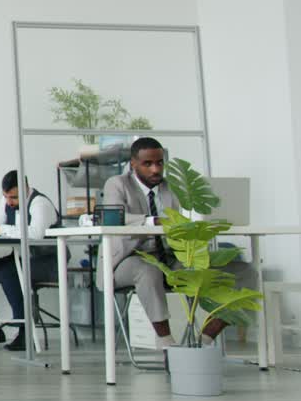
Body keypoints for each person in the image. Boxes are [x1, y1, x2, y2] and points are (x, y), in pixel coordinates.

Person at [103, 137, 255, 347]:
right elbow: (114, 218)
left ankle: (207, 336)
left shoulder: (172, 186)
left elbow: (188, 217)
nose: (156, 169)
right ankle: (167, 343)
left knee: (242, 270)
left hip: (172, 258)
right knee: (148, 270)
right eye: (148, 164)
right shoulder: (117, 184)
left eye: (160, 162)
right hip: (128, 260)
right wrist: (153, 221)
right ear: (133, 164)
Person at [0, 170, 60, 351]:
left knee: (9, 272)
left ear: (25, 190)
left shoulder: (40, 203)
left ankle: (24, 333)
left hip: (48, 262)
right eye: (6, 197)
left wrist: (1, 229)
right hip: (21, 258)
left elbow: (35, 234)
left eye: (13, 197)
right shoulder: (7, 201)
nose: (9, 202)